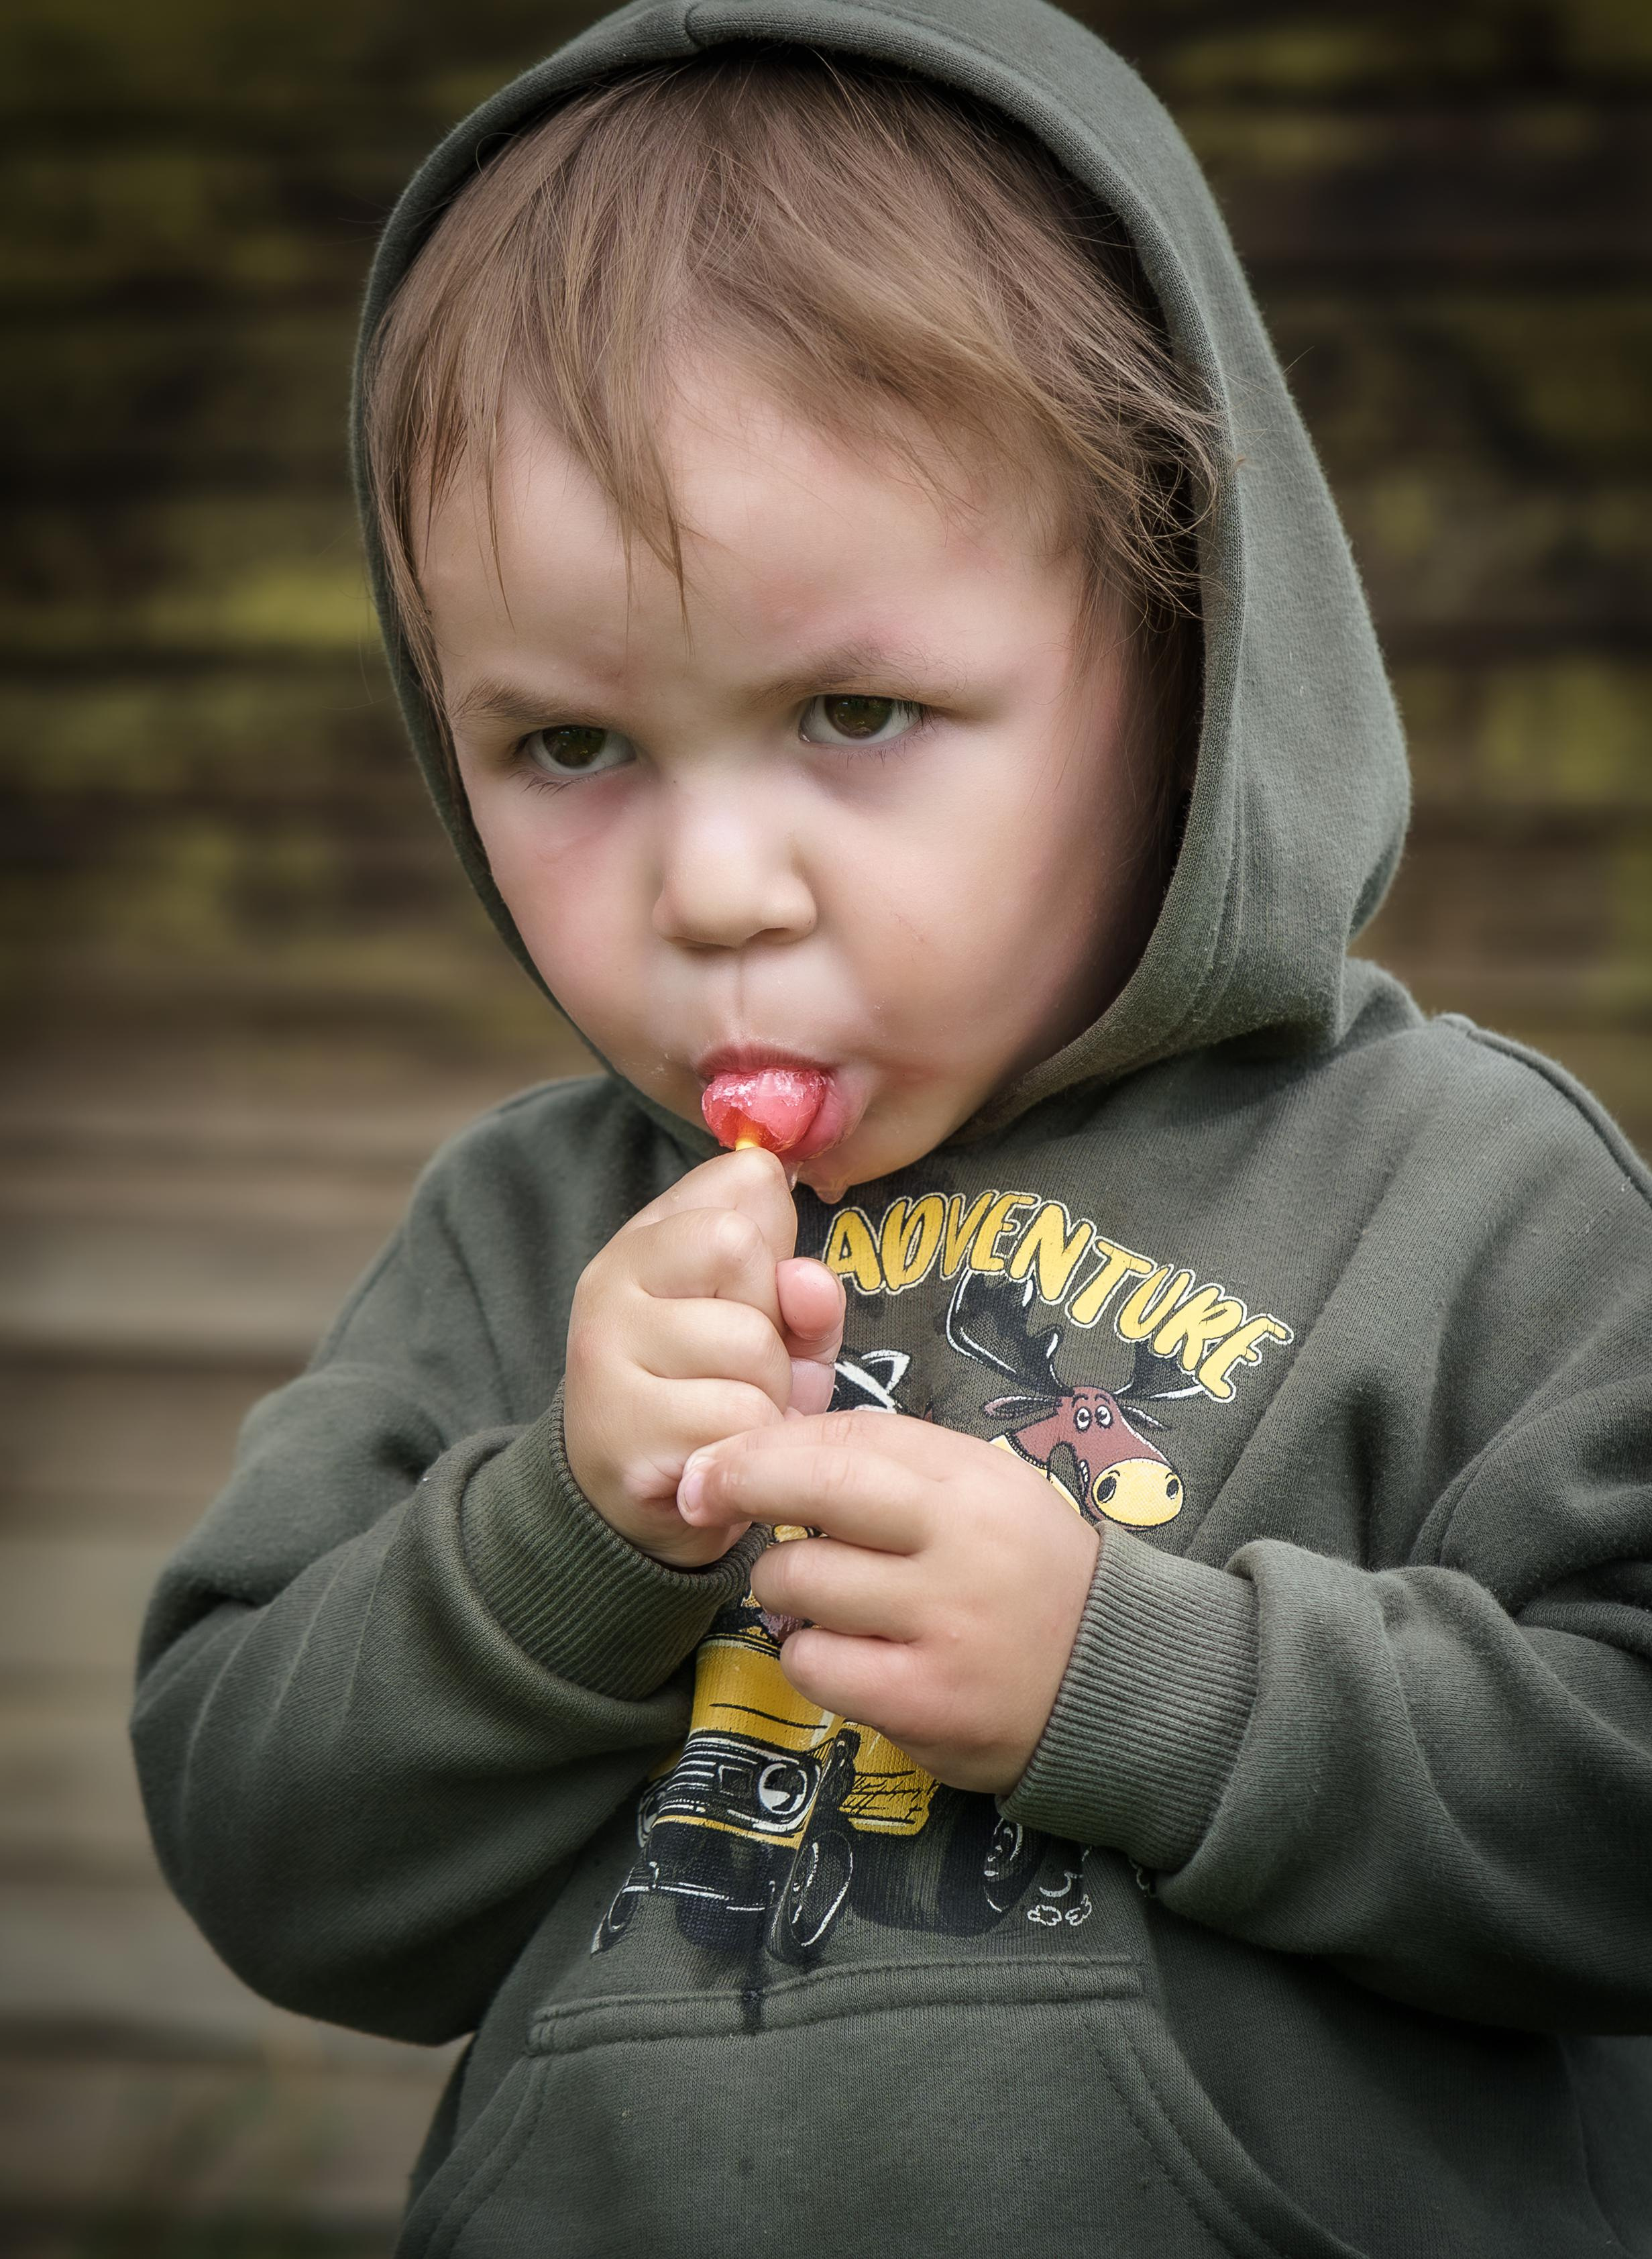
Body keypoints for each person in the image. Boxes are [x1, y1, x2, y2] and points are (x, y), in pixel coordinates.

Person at [132, 4, 1652, 2252]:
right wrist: (561, 1546)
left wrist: (1146, 1687)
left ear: (1183, 641)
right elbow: (272, 1864)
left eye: (854, 711)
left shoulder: (1470, 1201)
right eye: (567, 745)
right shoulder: (529, 1233)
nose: (715, 884)